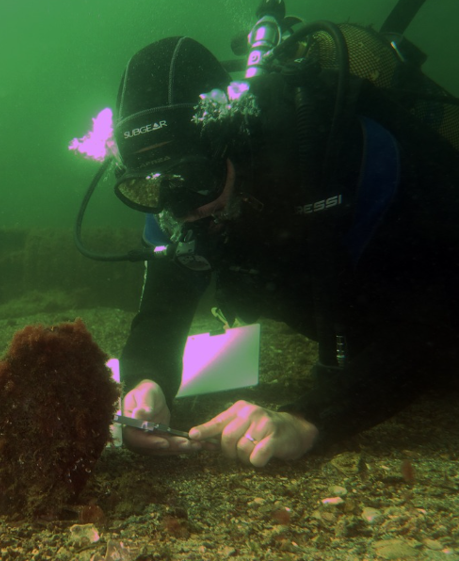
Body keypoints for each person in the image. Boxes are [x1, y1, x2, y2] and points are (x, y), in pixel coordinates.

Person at [110, 29, 459, 466]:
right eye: (149, 188)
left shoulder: (340, 150)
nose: (179, 211)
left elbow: (438, 316)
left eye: (195, 179)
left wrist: (309, 418)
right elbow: (164, 304)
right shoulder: (176, 195)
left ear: (230, 140)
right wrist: (146, 381)